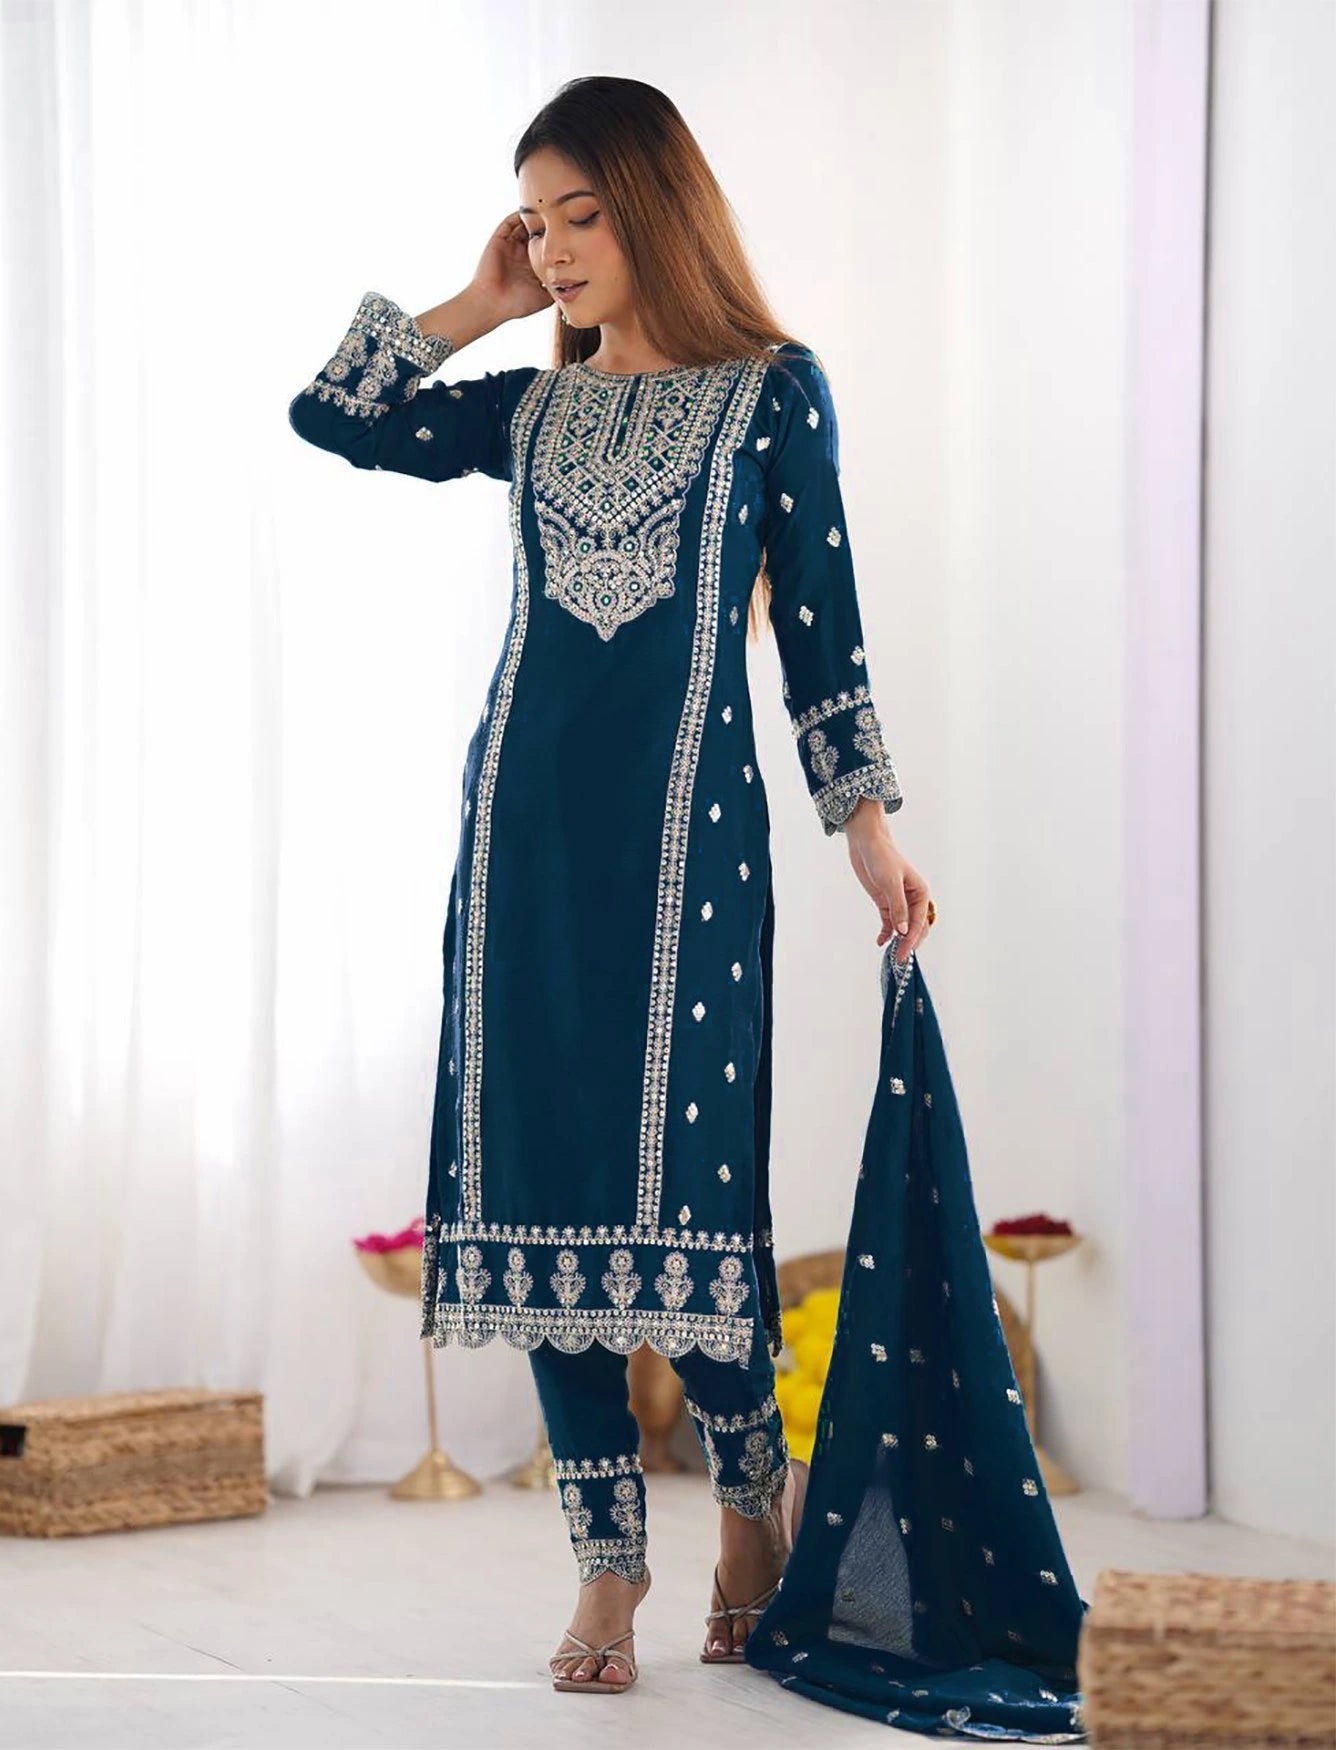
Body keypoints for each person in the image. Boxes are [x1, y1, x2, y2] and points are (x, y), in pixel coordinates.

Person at [289, 73, 933, 1696]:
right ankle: (605, 1563)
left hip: (688, 847)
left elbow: (827, 637)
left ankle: (751, 1497)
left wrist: (866, 822)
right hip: (523, 841)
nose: (559, 247)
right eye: (539, 217)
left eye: (584, 215)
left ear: (657, 209)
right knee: (543, 1193)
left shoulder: (776, 395)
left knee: (691, 1204)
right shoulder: (530, 408)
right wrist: (479, 301)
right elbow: (335, 413)